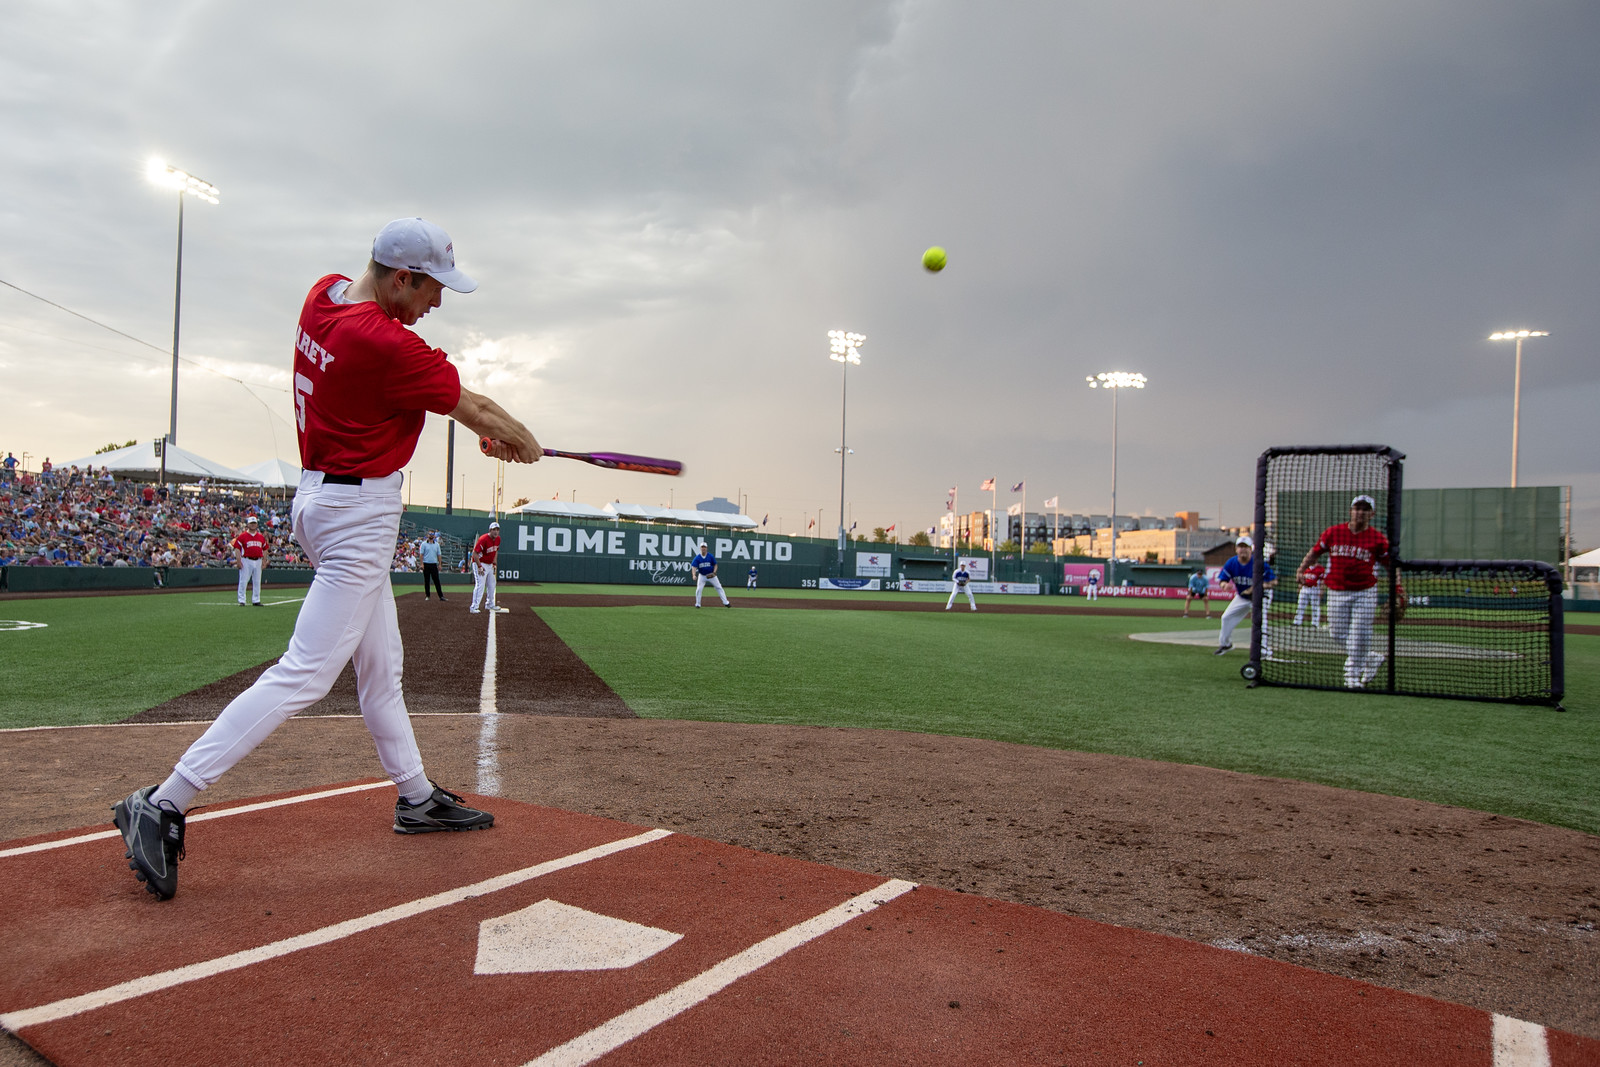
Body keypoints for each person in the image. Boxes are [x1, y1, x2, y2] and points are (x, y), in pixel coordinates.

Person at [113, 217, 543, 900]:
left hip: (321, 499)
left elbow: (400, 394)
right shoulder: (388, 342)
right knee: (306, 673)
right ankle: (163, 801)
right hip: (357, 517)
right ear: (401, 277)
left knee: (381, 668)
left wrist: (483, 427)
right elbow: (478, 407)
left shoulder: (325, 294)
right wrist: (521, 440)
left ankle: (415, 795)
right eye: (432, 289)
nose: (436, 304)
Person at [1298, 494, 1393, 689]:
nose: (1360, 512)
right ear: (1350, 511)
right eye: (1357, 508)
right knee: (1337, 634)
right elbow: (1315, 551)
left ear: (1372, 514)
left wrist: (1397, 587)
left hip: (1365, 591)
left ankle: (1352, 676)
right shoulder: (1334, 532)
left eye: (1365, 509)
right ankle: (1371, 658)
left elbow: (1391, 565)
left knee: (1360, 633)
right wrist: (1301, 569)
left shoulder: (1377, 539)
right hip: (1337, 590)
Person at [1215, 535, 1275, 656]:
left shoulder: (1258, 563)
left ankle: (1264, 650)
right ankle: (1226, 644)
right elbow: (1222, 579)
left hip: (1261, 596)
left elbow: (1273, 582)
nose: (1243, 549)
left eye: (1245, 547)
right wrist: (1224, 585)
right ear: (1236, 549)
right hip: (1243, 596)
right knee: (1226, 617)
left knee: (1259, 620)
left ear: (1251, 549)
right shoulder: (1231, 563)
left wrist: (1256, 588)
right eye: (1240, 547)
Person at [232, 515, 268, 606]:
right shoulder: (243, 536)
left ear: (257, 525)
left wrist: (264, 561)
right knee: (243, 580)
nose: (253, 525)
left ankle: (256, 600)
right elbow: (237, 548)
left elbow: (265, 549)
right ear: (247, 524)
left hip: (258, 560)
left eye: (254, 523)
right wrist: (238, 561)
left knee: (257, 581)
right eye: (251, 523)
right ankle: (242, 600)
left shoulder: (260, 537)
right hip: (246, 560)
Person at [470, 521, 504, 613]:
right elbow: (475, 554)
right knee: (480, 585)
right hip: (480, 562)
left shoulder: (498, 539)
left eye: (497, 530)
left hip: (489, 564)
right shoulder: (483, 539)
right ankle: (474, 607)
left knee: (492, 584)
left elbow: (495, 551)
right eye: (494, 530)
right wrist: (479, 566)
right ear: (490, 530)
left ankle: (489, 604)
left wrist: (494, 563)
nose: (496, 532)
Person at [691, 541, 730, 607]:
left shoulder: (710, 556)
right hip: (702, 576)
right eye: (702, 547)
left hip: (711, 575)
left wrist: (714, 572)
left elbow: (715, 565)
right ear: (700, 548)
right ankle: (698, 604)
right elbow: (694, 567)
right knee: (699, 589)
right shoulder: (697, 558)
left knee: (719, 587)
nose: (703, 548)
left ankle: (726, 602)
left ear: (707, 548)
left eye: (704, 547)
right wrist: (694, 575)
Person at [1294, 560, 1327, 628]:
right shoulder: (1305, 567)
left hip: (1315, 589)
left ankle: (1315, 624)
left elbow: (1322, 581)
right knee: (1300, 605)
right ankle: (1297, 622)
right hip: (1305, 588)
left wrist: (1321, 590)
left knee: (1315, 607)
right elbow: (1302, 579)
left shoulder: (1320, 569)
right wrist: (1299, 588)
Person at [419, 531, 446, 600]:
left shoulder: (437, 545)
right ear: (427, 535)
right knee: (427, 581)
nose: (431, 536)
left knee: (437, 581)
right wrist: (421, 564)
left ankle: (441, 596)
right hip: (426, 563)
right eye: (430, 534)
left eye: (432, 535)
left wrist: (440, 564)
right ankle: (427, 595)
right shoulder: (424, 544)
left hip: (434, 564)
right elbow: (421, 555)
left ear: (434, 536)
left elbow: (439, 555)